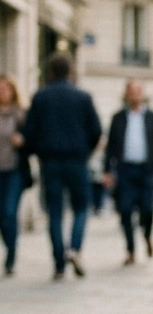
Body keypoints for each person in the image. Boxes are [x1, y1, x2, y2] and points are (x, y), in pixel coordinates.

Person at [22, 52, 101, 280]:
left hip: (50, 161)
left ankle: (58, 264)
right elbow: (95, 131)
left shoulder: (40, 97)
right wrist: (85, 150)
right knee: (81, 207)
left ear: (50, 72)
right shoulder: (82, 97)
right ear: (70, 72)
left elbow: (30, 133)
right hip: (77, 159)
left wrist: (39, 151)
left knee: (54, 211)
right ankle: (75, 249)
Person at [103, 80, 153, 264]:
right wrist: (108, 171)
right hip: (125, 171)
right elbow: (111, 146)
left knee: (148, 209)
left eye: (138, 90)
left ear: (143, 93)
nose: (134, 94)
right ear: (126, 94)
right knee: (124, 209)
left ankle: (147, 235)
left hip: (146, 171)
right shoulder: (118, 117)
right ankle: (130, 250)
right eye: (131, 91)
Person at [0, 76, 27, 276]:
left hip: (15, 170)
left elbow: (33, 138)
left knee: (9, 212)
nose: (2, 92)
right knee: (2, 216)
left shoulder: (21, 114)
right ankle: (9, 245)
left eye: (5, 88)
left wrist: (22, 141)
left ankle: (11, 254)